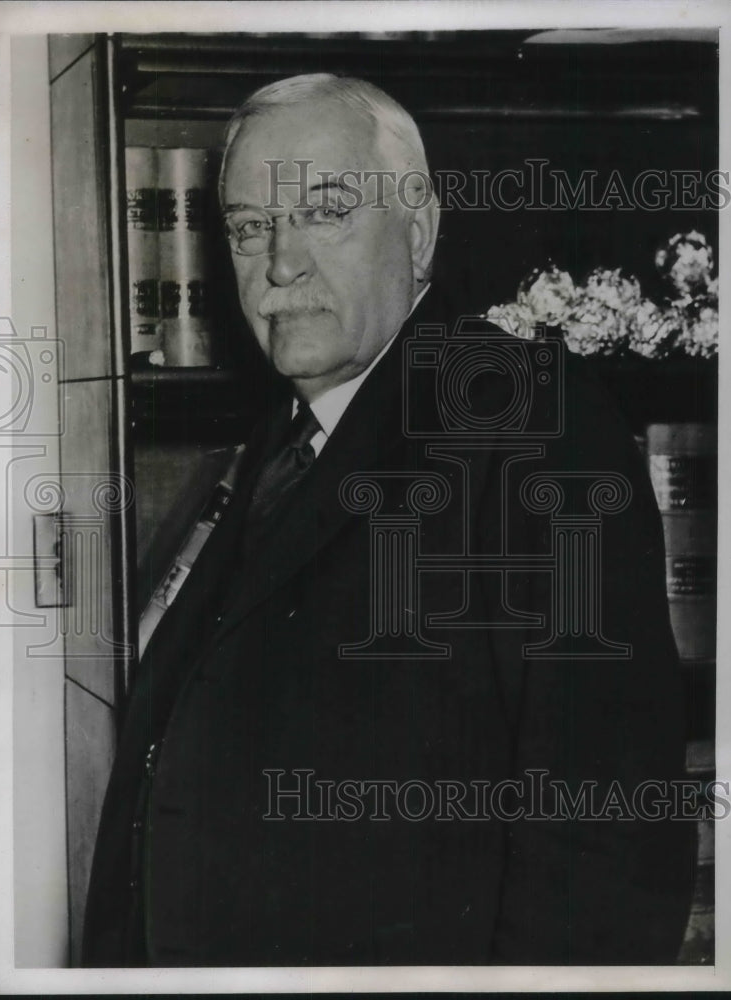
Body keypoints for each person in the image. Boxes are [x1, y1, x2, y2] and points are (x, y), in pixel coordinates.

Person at [83, 74, 695, 967]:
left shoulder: (524, 421)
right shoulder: (282, 444)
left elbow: (606, 840)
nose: (280, 261)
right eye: (252, 227)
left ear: (419, 232)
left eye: (324, 211)